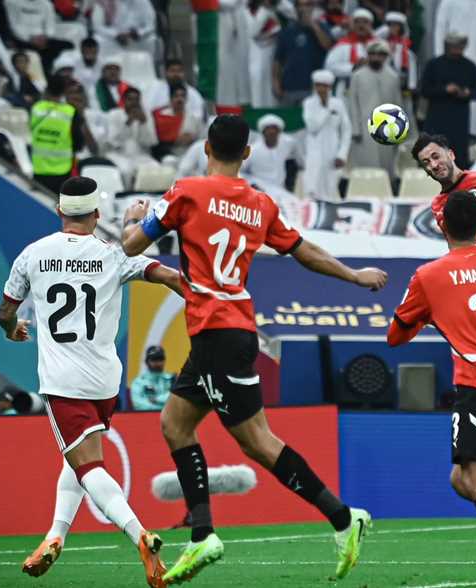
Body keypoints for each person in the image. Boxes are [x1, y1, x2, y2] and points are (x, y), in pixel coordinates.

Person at [120, 114, 386, 583]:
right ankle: (203, 534)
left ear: (206, 148)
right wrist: (353, 275)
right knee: (175, 424)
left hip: (218, 335)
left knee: (258, 442)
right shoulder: (260, 204)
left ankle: (344, 518)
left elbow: (132, 246)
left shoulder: (185, 191)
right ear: (247, 154)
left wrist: (133, 219)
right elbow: (304, 251)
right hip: (227, 331)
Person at [0, 176, 183, 585]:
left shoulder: (33, 254)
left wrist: (11, 330)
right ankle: (55, 535)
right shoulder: (113, 255)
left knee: (88, 465)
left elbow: (5, 312)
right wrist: (207, 302)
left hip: (64, 381)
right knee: (79, 459)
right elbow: (168, 276)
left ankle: (140, 535)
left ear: (59, 211)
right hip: (105, 381)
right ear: (97, 214)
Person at [387, 191, 476, 573]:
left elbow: (395, 336)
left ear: (442, 226)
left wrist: (428, 315)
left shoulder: (428, 276)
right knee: (464, 479)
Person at [420, 32, 476, 169]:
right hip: (437, 119)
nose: (457, 49)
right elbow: (424, 90)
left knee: (458, 158)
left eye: (460, 46)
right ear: (447, 46)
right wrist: (445, 90)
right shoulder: (434, 65)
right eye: (454, 45)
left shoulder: (470, 66)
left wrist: (467, 93)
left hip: (459, 121)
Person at [433, 0, 476, 138]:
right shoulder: (447, 3)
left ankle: (473, 131)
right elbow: (440, 30)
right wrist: (439, 57)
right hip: (451, 56)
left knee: (473, 97)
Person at [348, 39, 402, 175]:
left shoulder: (393, 77)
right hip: (364, 130)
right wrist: (355, 129)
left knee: (386, 166)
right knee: (365, 168)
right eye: (373, 54)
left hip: (388, 128)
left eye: (380, 55)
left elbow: (397, 104)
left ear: (385, 57)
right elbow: (353, 104)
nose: (376, 58)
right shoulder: (357, 76)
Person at [273, 0, 334, 106]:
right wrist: (276, 82)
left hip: (314, 88)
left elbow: (328, 46)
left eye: (307, 5)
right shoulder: (287, 31)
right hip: (289, 88)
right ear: (295, 8)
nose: (303, 8)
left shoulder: (322, 26)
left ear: (313, 7)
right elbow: (278, 60)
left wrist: (313, 26)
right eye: (300, 5)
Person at [302, 69, 351, 200]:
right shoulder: (308, 103)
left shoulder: (338, 104)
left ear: (330, 87)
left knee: (331, 189)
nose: (321, 89)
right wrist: (325, 109)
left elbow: (346, 130)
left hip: (333, 151)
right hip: (314, 152)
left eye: (325, 86)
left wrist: (342, 154)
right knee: (312, 188)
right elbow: (312, 127)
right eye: (318, 85)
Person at [30, 76, 76, 195]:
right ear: (64, 91)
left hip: (39, 168)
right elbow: (78, 142)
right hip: (62, 170)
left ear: (47, 89)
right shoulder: (70, 112)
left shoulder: (36, 108)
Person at [105, 86, 157, 188]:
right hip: (119, 155)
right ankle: (125, 195)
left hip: (140, 155)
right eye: (130, 99)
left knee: (155, 167)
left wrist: (143, 124)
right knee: (126, 171)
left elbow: (151, 142)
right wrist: (128, 123)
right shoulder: (114, 114)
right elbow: (113, 141)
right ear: (124, 100)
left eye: (136, 100)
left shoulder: (145, 116)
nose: (133, 102)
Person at [2, 0, 72, 72]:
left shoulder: (46, 4)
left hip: (42, 38)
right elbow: (13, 25)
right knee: (39, 52)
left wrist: (46, 37)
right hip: (22, 38)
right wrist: (29, 39)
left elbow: (50, 25)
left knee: (68, 45)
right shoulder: (12, 2)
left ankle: (50, 72)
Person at [243, 113, 298, 199]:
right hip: (260, 193)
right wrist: (252, 183)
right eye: (268, 129)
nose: (272, 132)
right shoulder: (253, 150)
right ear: (263, 132)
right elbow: (240, 172)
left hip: (281, 192)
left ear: (279, 132)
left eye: (274, 129)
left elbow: (297, 158)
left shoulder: (287, 144)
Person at [324, 7, 376, 93]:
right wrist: (353, 68)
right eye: (357, 22)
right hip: (347, 89)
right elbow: (329, 66)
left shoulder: (378, 44)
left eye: (365, 22)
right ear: (352, 25)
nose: (361, 25)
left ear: (371, 25)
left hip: (373, 88)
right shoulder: (342, 44)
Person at [151, 83, 202, 160]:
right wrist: (174, 141)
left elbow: (200, 140)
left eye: (182, 96)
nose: (179, 99)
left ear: (186, 99)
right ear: (170, 98)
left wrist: (192, 139)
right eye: (176, 96)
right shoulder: (161, 116)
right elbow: (156, 141)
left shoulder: (194, 118)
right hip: (165, 155)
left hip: (188, 155)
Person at [246, 0, 282, 108]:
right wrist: (264, 11)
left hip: (272, 56)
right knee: (256, 84)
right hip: (254, 55)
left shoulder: (275, 10)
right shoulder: (247, 12)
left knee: (270, 93)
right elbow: (251, 31)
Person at [89, 0, 157, 57]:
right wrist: (115, 35)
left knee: (151, 39)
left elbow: (150, 25)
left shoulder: (143, 2)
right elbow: (97, 26)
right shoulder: (105, 2)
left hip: (137, 38)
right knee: (98, 39)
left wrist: (139, 33)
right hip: (113, 37)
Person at [130, 345, 176, 411]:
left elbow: (175, 399)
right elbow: (138, 404)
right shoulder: (139, 382)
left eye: (160, 359)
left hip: (170, 415)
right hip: (147, 416)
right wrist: (161, 408)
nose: (158, 363)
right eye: (154, 359)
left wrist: (157, 400)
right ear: (146, 362)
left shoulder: (172, 379)